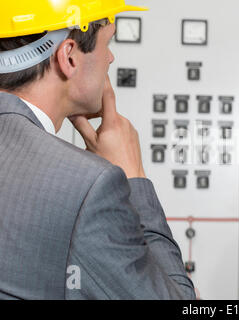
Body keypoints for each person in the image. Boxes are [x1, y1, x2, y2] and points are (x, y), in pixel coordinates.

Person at [0, 0, 195, 299]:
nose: (111, 58)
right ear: (69, 57)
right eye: (108, 42)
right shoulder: (89, 186)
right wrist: (133, 177)